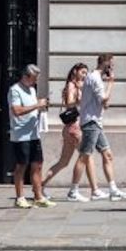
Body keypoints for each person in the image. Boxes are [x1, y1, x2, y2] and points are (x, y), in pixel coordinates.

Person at [69, 54, 126, 202]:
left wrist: (104, 100)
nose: (112, 67)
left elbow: (102, 102)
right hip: (91, 123)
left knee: (107, 154)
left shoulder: (94, 78)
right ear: (105, 63)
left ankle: (113, 189)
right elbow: (104, 99)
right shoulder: (96, 78)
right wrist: (111, 82)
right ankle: (73, 191)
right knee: (84, 156)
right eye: (111, 64)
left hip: (96, 122)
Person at [43, 62, 95, 201]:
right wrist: (82, 96)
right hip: (75, 127)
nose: (85, 75)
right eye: (82, 72)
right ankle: (79, 190)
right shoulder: (72, 85)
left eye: (86, 73)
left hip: (70, 128)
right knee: (86, 157)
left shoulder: (76, 85)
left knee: (64, 162)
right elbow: (70, 103)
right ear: (75, 72)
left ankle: (40, 186)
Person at [8, 63, 53, 209]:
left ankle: (38, 196)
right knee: (22, 166)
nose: (35, 81)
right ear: (26, 76)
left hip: (34, 133)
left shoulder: (32, 90)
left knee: (38, 165)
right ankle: (20, 197)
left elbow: (33, 108)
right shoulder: (15, 90)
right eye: (34, 78)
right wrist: (36, 106)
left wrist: (41, 108)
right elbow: (17, 111)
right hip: (21, 135)